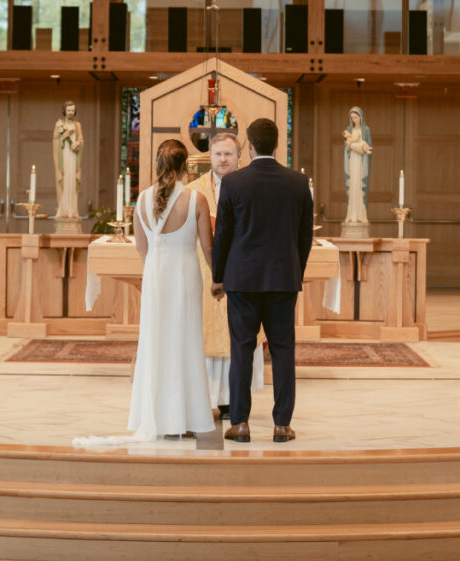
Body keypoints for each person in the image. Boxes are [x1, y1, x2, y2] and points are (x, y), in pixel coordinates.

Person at [74, 139, 215, 446]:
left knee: (156, 342)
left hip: (156, 275)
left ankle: (158, 416)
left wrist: (155, 271)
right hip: (185, 275)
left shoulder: (141, 201)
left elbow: (142, 248)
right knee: (186, 341)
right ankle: (186, 419)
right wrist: (219, 279)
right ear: (184, 167)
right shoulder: (197, 200)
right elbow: (207, 247)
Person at [212, 118, 313, 444]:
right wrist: (295, 270)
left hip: (241, 280)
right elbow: (305, 236)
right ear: (277, 144)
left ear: (250, 147)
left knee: (241, 351)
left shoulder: (233, 183)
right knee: (283, 351)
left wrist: (218, 276)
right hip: (283, 279)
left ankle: (240, 423)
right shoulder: (298, 183)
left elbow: (223, 235)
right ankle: (282, 425)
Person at [186, 132, 264, 419]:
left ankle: (234, 400)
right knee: (204, 335)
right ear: (210, 155)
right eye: (218, 154)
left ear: (239, 156)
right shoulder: (192, 191)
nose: (222, 159)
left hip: (243, 273)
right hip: (206, 274)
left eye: (228, 154)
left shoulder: (253, 187)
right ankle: (204, 397)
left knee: (240, 337)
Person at [53, 101, 83, 222]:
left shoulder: (77, 125)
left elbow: (81, 139)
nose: (70, 113)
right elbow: (55, 139)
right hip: (64, 155)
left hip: (73, 156)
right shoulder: (59, 124)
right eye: (68, 110)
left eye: (72, 110)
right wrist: (64, 136)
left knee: (72, 180)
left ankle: (73, 210)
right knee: (64, 180)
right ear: (64, 111)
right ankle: (63, 210)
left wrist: (77, 143)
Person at [343, 106, 372, 225]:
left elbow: (368, 148)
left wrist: (360, 148)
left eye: (356, 117)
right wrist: (350, 147)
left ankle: (360, 215)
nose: (354, 120)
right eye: (352, 118)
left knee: (360, 185)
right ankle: (351, 214)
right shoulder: (349, 131)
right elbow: (346, 148)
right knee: (353, 185)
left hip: (361, 161)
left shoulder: (366, 130)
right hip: (352, 161)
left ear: (361, 117)